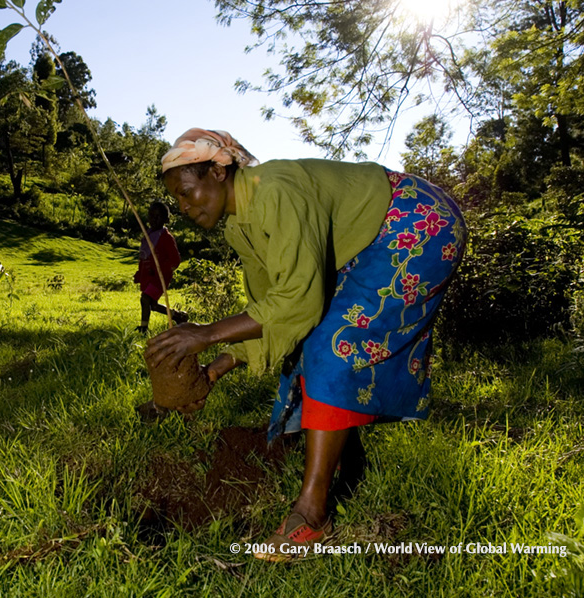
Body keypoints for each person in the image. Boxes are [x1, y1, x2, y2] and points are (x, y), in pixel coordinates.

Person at [145, 128, 467, 560]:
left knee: (332, 344)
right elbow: (270, 309)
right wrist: (212, 371)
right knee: (312, 341)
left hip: (416, 220)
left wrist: (205, 332)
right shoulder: (240, 227)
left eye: (188, 192)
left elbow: (298, 299)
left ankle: (312, 516)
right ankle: (345, 467)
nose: (185, 208)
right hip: (373, 239)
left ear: (219, 172)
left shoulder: (274, 189)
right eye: (178, 202)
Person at [134, 201, 188, 334]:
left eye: (158, 216)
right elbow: (144, 256)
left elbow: (175, 260)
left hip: (160, 277)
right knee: (152, 304)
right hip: (148, 276)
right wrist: (139, 273)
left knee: (145, 299)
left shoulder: (166, 238)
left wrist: (160, 268)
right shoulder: (147, 236)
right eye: (151, 216)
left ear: (165, 219)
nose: (154, 219)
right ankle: (178, 316)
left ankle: (143, 328)